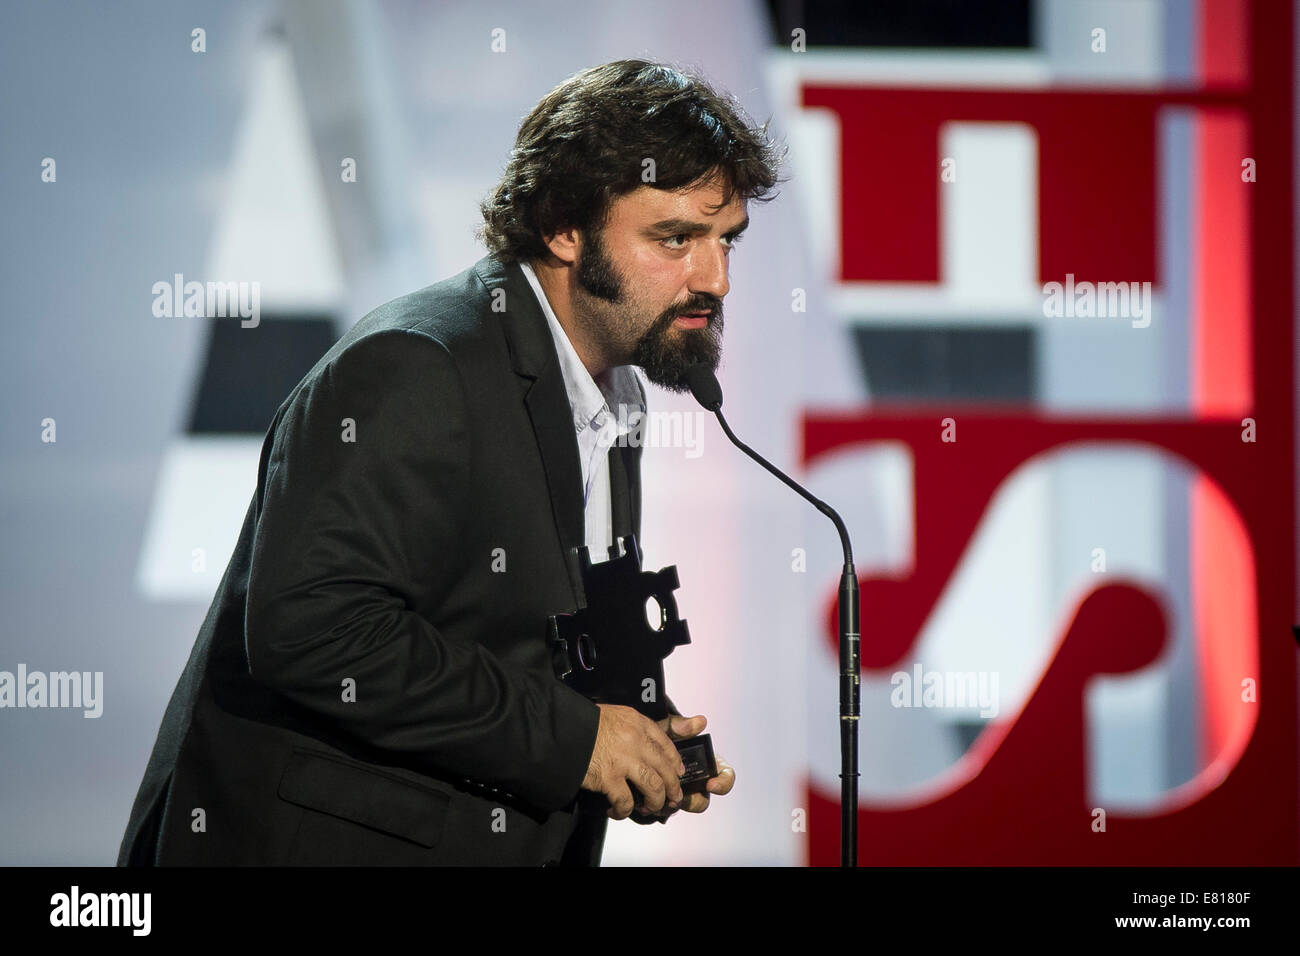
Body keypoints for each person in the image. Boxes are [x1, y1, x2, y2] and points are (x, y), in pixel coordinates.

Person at [117, 57, 785, 866]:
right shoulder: (416, 364)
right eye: (674, 238)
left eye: (726, 241)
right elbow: (312, 628)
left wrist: (629, 733)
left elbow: (506, 628)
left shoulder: (614, 388)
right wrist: (577, 740)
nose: (714, 278)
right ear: (563, 227)